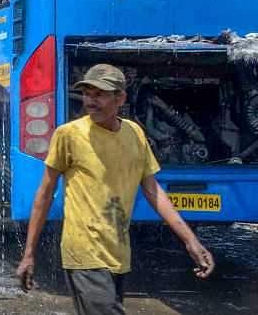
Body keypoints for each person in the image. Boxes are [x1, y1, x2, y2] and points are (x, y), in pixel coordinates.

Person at [15, 64, 215, 315]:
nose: (91, 101)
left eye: (100, 94)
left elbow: (153, 191)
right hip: (84, 254)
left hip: (118, 254)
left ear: (120, 98)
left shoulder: (134, 133)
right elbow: (44, 194)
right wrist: (29, 254)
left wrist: (191, 241)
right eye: (87, 94)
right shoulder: (69, 135)